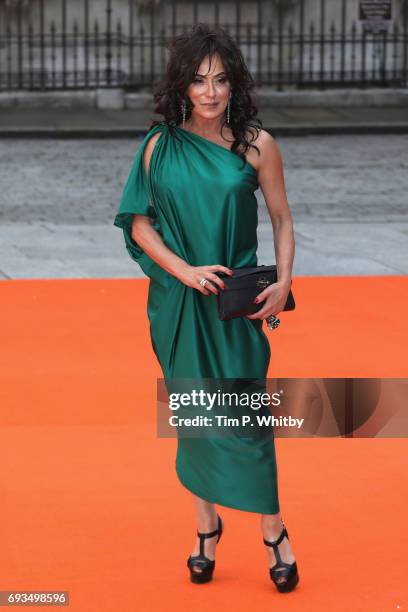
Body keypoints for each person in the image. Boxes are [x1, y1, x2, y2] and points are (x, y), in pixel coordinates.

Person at [113, 23, 298, 591]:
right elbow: (140, 225)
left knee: (247, 421)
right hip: (178, 305)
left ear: (233, 84)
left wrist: (284, 281)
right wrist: (185, 271)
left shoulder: (257, 145)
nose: (211, 92)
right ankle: (206, 527)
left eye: (220, 80)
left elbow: (283, 221)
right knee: (196, 419)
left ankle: (273, 529)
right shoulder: (158, 145)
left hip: (236, 308)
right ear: (183, 87)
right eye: (199, 81)